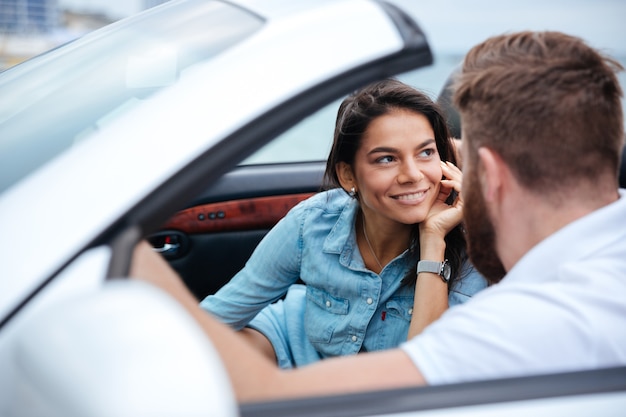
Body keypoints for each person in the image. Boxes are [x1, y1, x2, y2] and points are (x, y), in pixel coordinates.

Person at [130, 30, 626, 402]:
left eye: (443, 154)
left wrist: (124, 242)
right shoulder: (316, 222)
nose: (423, 175)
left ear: (487, 174)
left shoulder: (516, 321)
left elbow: (269, 398)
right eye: (388, 158)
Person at [198, 79, 487, 368]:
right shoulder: (313, 221)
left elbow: (430, 369)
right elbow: (218, 316)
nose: (412, 174)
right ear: (348, 176)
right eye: (386, 158)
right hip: (292, 350)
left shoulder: (473, 244)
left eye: (425, 152)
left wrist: (434, 239)